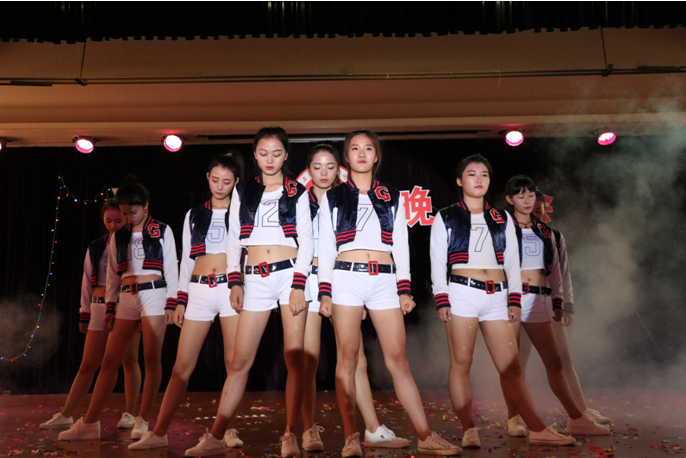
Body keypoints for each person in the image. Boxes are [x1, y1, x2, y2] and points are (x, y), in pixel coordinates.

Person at [318, 129, 461, 457]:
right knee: (347, 359)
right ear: (346, 157)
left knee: (398, 359)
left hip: (384, 280)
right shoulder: (334, 197)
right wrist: (325, 291)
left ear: (377, 156)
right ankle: (351, 436)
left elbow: (401, 245)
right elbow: (325, 246)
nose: (362, 154)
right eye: (355, 148)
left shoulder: (392, 196)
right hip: (346, 279)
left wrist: (403, 288)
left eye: (368, 148)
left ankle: (425, 434)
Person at [430, 155, 577, 448]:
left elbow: (512, 261)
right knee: (461, 363)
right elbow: (437, 260)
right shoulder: (446, 216)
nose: (479, 179)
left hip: (497, 295)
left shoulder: (501, 217)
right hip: (462, 293)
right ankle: (469, 429)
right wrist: (441, 297)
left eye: (484, 174)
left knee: (510, 367)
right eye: (472, 174)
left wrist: (513, 298)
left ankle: (537, 428)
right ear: (460, 180)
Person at [184, 127, 313, 458]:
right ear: (255, 155)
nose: (270, 159)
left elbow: (307, 240)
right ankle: (216, 435)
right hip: (254, 278)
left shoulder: (297, 191)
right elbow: (233, 240)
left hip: (289, 275)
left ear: (286, 155)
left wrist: (299, 284)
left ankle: (290, 434)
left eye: (277, 153)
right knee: (240, 361)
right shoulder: (244, 190)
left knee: (294, 357)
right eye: (263, 153)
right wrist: (235, 281)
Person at [130, 153, 245, 451]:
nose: (220, 186)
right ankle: (159, 432)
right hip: (198, 290)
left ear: (236, 182)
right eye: (215, 179)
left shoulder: (244, 212)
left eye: (227, 181)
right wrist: (179, 299)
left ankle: (227, 430)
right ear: (207, 177)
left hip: (230, 290)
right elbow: (187, 260)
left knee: (233, 364)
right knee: (181, 366)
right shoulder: (194, 214)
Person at [300, 144, 409, 452]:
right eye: (317, 167)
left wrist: (356, 289)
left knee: (355, 359)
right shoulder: (297, 202)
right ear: (308, 171)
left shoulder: (348, 199)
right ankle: (308, 429)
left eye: (330, 166)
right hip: (307, 282)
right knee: (308, 359)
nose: (324, 172)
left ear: (340, 169)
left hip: (342, 281)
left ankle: (372, 429)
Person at [58, 177, 178, 441]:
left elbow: (171, 266)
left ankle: (142, 419)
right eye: (124, 213)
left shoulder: (162, 230)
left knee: (150, 358)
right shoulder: (119, 236)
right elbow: (112, 275)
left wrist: (172, 302)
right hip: (126, 296)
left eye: (132, 212)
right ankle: (90, 422)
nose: (128, 218)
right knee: (110, 360)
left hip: (154, 293)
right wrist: (110, 308)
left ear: (145, 207)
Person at [500, 175, 609, 437]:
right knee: (516, 363)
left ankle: (579, 413)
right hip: (512, 302)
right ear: (511, 200)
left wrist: (563, 303)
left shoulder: (550, 235)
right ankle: (514, 417)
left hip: (543, 301)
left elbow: (560, 273)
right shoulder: (503, 230)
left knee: (558, 360)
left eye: (534, 200)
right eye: (523, 197)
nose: (531, 205)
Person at [40, 200, 142, 431]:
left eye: (118, 220)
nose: (113, 225)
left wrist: (140, 311)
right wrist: (84, 312)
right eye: (109, 221)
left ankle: (130, 413)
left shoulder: (134, 243)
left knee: (127, 360)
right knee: (88, 364)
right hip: (98, 305)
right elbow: (87, 281)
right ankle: (67, 413)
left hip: (125, 304)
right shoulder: (96, 246)